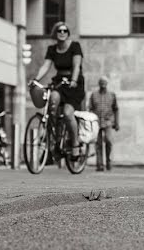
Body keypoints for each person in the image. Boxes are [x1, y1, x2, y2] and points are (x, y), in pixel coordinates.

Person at [30, 21, 85, 158]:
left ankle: (75, 144)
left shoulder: (75, 46)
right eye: (59, 31)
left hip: (73, 83)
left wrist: (74, 80)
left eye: (64, 30)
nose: (62, 33)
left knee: (67, 113)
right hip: (59, 81)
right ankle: (53, 137)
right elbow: (46, 66)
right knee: (52, 101)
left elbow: (77, 65)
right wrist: (36, 79)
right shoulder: (52, 49)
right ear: (55, 33)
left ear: (68, 33)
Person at [88, 76, 119, 172]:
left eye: (104, 83)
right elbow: (90, 108)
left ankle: (109, 161)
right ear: (99, 83)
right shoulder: (94, 95)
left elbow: (116, 109)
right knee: (98, 144)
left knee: (109, 141)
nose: (103, 85)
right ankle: (99, 164)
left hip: (108, 121)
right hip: (96, 122)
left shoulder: (112, 95)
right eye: (101, 82)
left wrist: (116, 123)